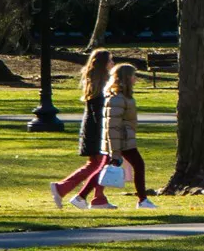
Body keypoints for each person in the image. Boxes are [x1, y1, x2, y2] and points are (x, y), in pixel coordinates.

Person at [56, 49, 115, 209]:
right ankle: (63, 188)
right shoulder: (101, 85)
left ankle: (98, 198)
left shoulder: (94, 82)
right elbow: (100, 111)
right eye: (110, 60)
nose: (112, 63)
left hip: (91, 128)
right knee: (100, 164)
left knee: (97, 164)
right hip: (98, 130)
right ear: (103, 64)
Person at [95, 63, 158, 209]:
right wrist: (115, 151)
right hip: (122, 141)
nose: (135, 79)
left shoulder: (124, 97)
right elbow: (112, 127)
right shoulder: (117, 99)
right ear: (126, 78)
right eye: (133, 76)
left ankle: (83, 196)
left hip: (125, 139)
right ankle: (142, 200)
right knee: (138, 165)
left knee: (102, 169)